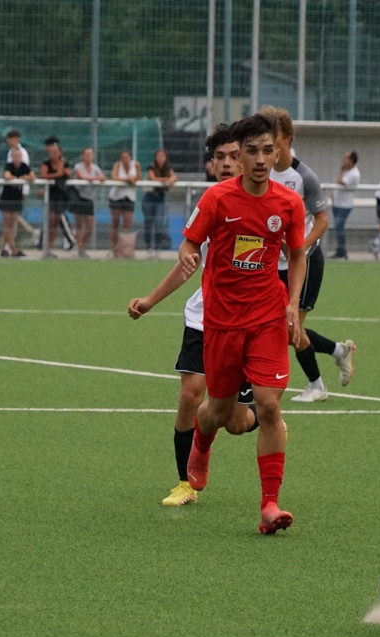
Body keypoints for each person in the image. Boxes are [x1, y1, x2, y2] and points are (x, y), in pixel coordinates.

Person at [180, 113, 307, 535]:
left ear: (278, 151)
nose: (260, 159)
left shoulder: (288, 203)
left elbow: (298, 255)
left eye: (267, 150)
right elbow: (190, 242)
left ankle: (270, 505)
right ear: (241, 155)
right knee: (220, 413)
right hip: (222, 321)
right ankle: (201, 442)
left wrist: (292, 303)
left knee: (269, 406)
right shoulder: (218, 198)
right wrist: (187, 255)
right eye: (251, 151)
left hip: (267, 318)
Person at [128, 124, 259, 507]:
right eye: (219, 157)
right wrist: (150, 300)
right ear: (210, 164)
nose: (226, 163)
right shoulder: (211, 202)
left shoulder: (266, 203)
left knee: (234, 422)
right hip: (204, 317)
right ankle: (185, 483)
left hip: (246, 321)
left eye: (233, 156)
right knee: (190, 395)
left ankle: (266, 416)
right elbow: (188, 257)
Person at [262, 105, 356, 404]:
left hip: (305, 262)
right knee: (282, 327)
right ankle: (340, 350)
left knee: (290, 329)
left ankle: (317, 385)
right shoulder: (262, 173)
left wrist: (299, 247)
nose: (270, 146)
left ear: (288, 139)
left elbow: (323, 220)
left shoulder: (304, 177)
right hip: (274, 264)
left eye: (275, 139)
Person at [0, 145, 34, 257]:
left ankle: (3, 248)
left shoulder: (24, 166)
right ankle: (13, 249)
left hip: (17, 198)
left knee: (12, 223)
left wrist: (22, 178)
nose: (17, 158)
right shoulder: (9, 166)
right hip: (6, 198)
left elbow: (32, 176)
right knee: (7, 224)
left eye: (19, 156)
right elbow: (7, 175)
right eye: (15, 156)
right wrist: (19, 178)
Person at [40, 135, 73, 254]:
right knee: (51, 220)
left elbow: (68, 174)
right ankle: (45, 245)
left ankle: (51, 246)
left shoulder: (65, 162)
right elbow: (44, 175)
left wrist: (63, 172)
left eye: (56, 151)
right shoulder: (46, 163)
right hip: (50, 194)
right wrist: (57, 174)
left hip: (61, 194)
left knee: (56, 220)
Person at [72, 146, 106, 258]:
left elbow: (102, 177)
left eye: (91, 154)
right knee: (79, 224)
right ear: (82, 156)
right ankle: (80, 249)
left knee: (90, 227)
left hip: (89, 198)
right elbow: (82, 177)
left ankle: (80, 245)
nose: (89, 156)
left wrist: (94, 178)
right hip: (78, 197)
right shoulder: (78, 166)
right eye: (86, 154)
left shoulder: (95, 168)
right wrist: (94, 179)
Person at [142, 147, 177, 251]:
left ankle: (157, 246)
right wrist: (166, 180)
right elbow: (153, 178)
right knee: (148, 221)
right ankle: (148, 246)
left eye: (163, 156)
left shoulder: (168, 168)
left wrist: (171, 179)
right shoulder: (151, 167)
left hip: (160, 197)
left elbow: (174, 177)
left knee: (159, 222)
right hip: (149, 196)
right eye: (159, 156)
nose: (161, 158)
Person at [108, 149, 140, 257]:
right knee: (115, 223)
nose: (125, 160)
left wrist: (133, 180)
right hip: (116, 197)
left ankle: (124, 249)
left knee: (127, 224)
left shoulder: (135, 165)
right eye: (123, 158)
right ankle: (114, 249)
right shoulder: (117, 165)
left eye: (127, 157)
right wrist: (128, 180)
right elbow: (114, 177)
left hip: (129, 197)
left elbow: (138, 178)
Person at [330, 150, 359, 259]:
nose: (343, 160)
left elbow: (339, 181)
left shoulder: (354, 174)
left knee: (339, 226)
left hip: (345, 205)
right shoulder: (347, 170)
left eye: (346, 158)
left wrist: (341, 169)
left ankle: (342, 252)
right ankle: (339, 251)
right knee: (338, 228)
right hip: (337, 203)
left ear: (351, 160)